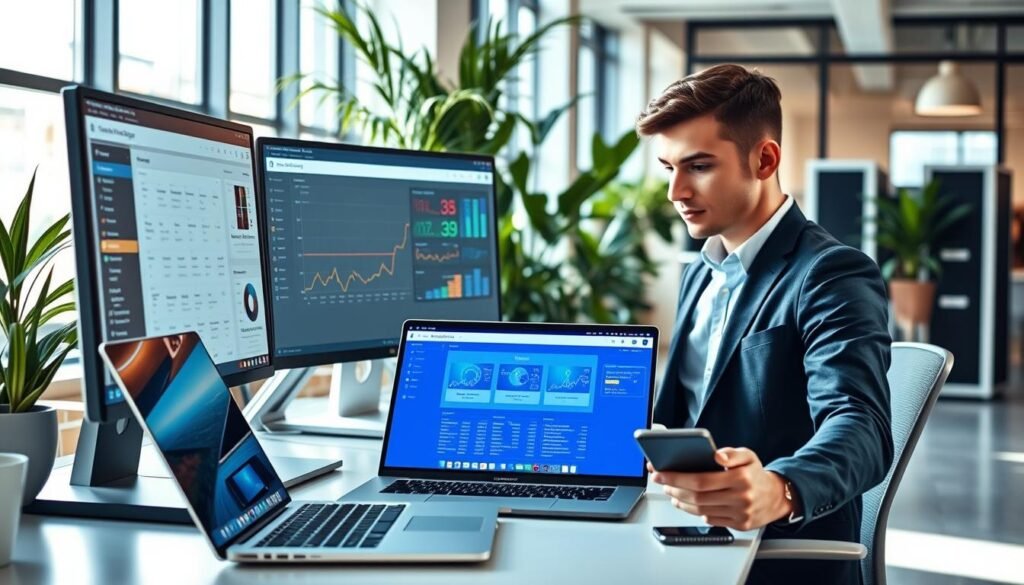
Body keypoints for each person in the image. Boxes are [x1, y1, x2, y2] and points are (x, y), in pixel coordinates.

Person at [636, 64, 894, 584]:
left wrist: (781, 487)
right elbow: (682, 415)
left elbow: (860, 424)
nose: (676, 192)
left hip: (773, 554)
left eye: (699, 166)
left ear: (765, 158)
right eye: (669, 168)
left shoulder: (830, 272)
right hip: (680, 533)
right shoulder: (699, 274)